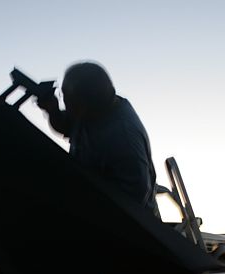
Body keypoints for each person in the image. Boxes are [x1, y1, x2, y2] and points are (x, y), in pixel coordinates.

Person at [37, 61, 159, 216]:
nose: (65, 104)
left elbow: (135, 200)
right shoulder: (93, 110)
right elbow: (66, 126)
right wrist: (52, 110)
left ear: (84, 105)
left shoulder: (124, 137)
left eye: (67, 99)